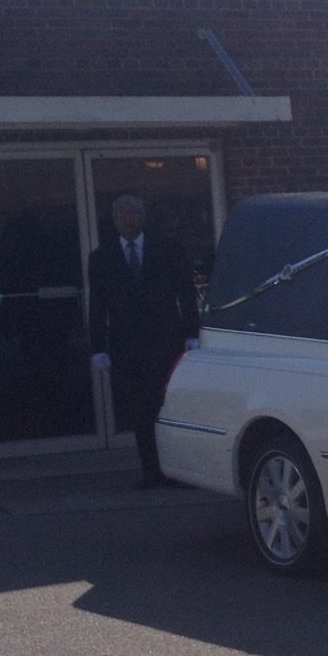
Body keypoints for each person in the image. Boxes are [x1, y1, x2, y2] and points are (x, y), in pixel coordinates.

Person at [88, 194, 200, 488]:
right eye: (124, 214)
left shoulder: (168, 249)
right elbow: (97, 305)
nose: (130, 219)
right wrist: (98, 347)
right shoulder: (101, 258)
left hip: (166, 339)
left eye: (136, 213)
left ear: (144, 216)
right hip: (128, 344)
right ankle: (151, 471)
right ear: (114, 219)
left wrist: (192, 333)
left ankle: (179, 469)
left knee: (169, 405)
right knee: (140, 409)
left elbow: (186, 292)